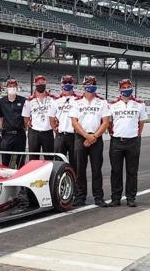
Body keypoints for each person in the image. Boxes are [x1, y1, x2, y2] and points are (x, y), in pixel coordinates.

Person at [69, 75, 110, 207]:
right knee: (80, 169)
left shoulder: (102, 102)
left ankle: (99, 197)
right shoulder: (76, 101)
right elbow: (74, 122)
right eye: (88, 83)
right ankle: (80, 197)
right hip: (81, 137)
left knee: (96, 169)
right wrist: (86, 136)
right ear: (84, 85)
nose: (90, 85)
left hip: (96, 138)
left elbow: (106, 122)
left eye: (93, 83)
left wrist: (94, 136)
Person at [107, 79, 147, 207]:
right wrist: (113, 133)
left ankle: (131, 197)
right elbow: (109, 122)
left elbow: (141, 123)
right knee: (116, 171)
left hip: (133, 141)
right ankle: (116, 198)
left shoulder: (139, 104)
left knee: (132, 171)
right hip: (117, 141)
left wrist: (136, 134)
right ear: (120, 89)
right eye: (124, 87)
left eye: (129, 86)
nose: (126, 88)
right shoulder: (113, 104)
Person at [22, 75, 55, 160]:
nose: (40, 84)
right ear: (35, 84)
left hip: (48, 131)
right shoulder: (29, 100)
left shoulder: (52, 99)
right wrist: (29, 123)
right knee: (33, 158)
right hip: (34, 132)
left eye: (42, 82)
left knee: (49, 158)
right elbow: (26, 117)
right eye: (38, 82)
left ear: (45, 83)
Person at [49, 75, 78, 170]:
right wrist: (55, 129)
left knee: (75, 162)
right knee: (58, 162)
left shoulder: (79, 100)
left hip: (75, 135)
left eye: (69, 82)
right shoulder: (56, 100)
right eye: (65, 83)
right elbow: (51, 117)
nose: (67, 84)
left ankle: (75, 183)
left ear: (73, 84)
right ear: (62, 84)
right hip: (61, 135)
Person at [0, 79, 27, 167]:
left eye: (14, 86)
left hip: (20, 134)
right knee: (5, 160)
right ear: (6, 87)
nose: (12, 88)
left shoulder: (23, 100)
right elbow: (0, 119)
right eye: (10, 86)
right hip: (7, 135)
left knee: (20, 160)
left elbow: (26, 117)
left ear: (17, 87)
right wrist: (2, 130)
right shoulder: (0, 102)